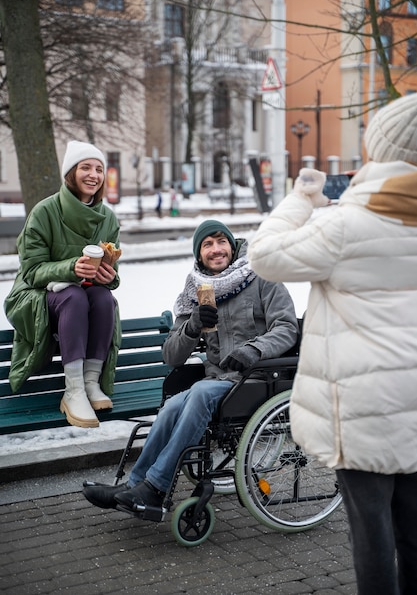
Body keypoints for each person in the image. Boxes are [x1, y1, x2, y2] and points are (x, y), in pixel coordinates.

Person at [247, 93, 417, 595]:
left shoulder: (345, 226)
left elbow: (264, 255)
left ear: (379, 151)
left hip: (362, 408)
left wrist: (301, 200)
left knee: (371, 533)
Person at [83, 219, 298, 511]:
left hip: (258, 378)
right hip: (218, 382)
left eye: (221, 241)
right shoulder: (196, 291)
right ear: (199, 255)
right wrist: (193, 325)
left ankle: (156, 488)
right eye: (207, 244)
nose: (216, 249)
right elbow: (171, 356)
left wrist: (254, 350)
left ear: (232, 247)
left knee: (198, 394)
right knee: (171, 406)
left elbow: (286, 327)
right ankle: (135, 485)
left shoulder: (262, 276)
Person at [4, 140, 122, 429]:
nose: (93, 175)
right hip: (34, 296)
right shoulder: (44, 212)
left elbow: (111, 269)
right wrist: (71, 267)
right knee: (74, 296)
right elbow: (30, 271)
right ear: (71, 172)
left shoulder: (108, 218)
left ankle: (91, 382)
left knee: (104, 298)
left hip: (82, 295)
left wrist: (111, 276)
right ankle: (74, 390)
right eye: (85, 168)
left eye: (98, 169)